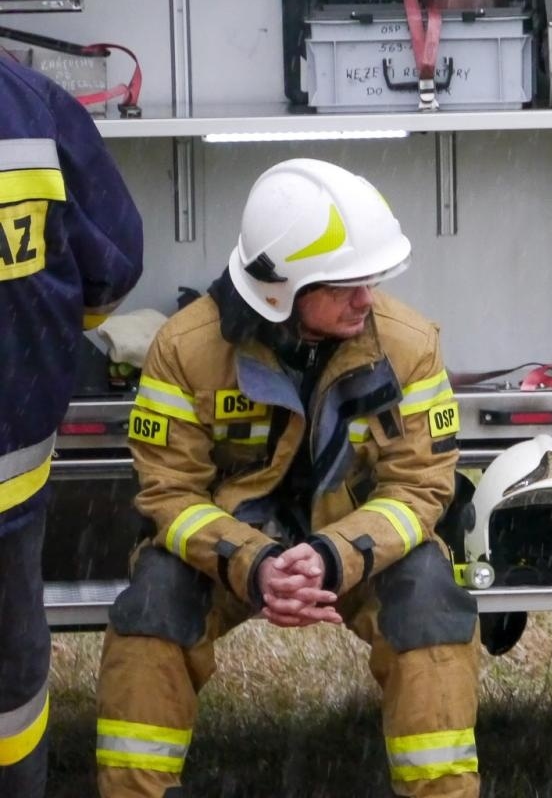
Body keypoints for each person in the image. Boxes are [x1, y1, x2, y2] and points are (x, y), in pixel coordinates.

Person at [95, 159, 479, 798]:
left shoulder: (409, 344)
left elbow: (421, 488)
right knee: (152, 609)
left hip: (358, 548)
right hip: (226, 549)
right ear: (280, 291)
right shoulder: (186, 349)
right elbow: (169, 492)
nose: (367, 299)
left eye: (372, 279)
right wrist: (255, 564)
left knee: (430, 604)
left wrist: (333, 556)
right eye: (344, 285)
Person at [0, 53, 143, 796]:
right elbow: (112, 266)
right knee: (10, 694)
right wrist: (43, 340)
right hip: (8, 493)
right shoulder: (31, 105)